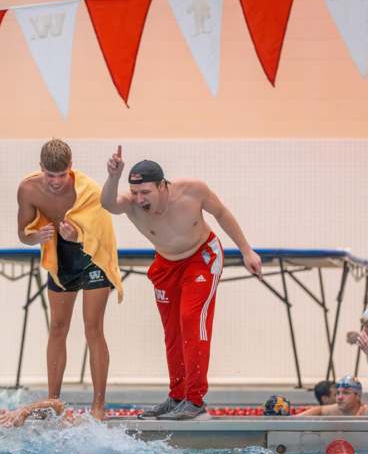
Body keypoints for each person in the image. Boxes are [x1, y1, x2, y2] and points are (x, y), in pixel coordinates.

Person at [101, 147, 262, 420]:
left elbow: (221, 213)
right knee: (172, 331)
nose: (140, 199)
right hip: (166, 264)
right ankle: (177, 396)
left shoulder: (192, 190)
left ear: (163, 186)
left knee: (191, 319)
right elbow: (107, 204)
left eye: (146, 193)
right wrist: (113, 177)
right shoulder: (129, 202)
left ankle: (195, 400)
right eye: (136, 192)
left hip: (202, 257)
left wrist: (246, 250)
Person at [17, 139, 123, 420]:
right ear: (41, 169)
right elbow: (23, 234)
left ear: (70, 169)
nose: (55, 182)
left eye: (62, 175)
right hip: (60, 256)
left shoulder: (87, 190)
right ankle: (54, 401)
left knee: (93, 328)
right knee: (58, 327)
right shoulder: (28, 189)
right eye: (50, 175)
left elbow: (100, 233)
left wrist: (78, 236)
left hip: (91, 257)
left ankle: (98, 407)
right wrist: (34, 237)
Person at [297, 376, 368, 416]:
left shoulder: (367, 411)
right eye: (337, 393)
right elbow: (319, 409)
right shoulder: (337, 409)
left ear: (358, 396)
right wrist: (297, 419)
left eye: (346, 393)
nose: (339, 397)